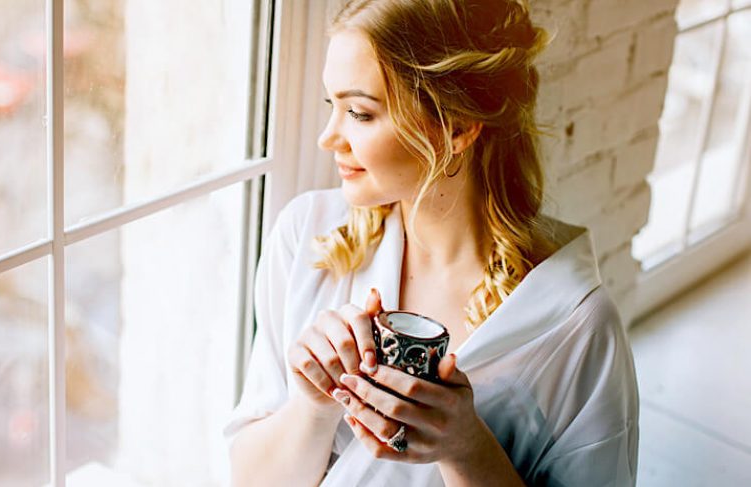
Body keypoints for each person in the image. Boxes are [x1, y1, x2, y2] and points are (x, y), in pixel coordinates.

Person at [223, 0, 639, 486]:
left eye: (359, 112)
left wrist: (465, 448)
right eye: (330, 106)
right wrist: (313, 405)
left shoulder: (577, 327)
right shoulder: (307, 238)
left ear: (457, 127)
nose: (327, 138)